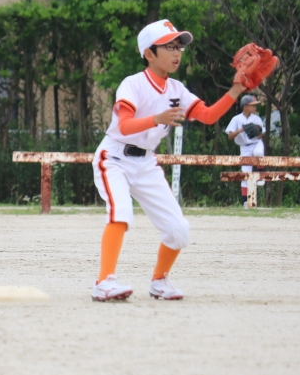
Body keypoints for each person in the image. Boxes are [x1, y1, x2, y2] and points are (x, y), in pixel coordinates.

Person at [90, 19, 246, 302]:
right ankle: (104, 282)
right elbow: (123, 125)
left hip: (146, 163)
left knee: (178, 230)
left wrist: (235, 90)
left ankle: (159, 281)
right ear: (149, 54)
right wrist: (157, 119)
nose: (177, 53)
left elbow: (207, 116)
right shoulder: (133, 84)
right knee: (121, 213)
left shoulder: (176, 89)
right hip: (114, 157)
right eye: (169, 47)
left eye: (179, 47)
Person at [225, 95, 265, 207]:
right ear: (245, 106)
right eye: (253, 105)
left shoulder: (256, 119)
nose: (255, 108)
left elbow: (260, 137)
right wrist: (241, 130)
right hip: (244, 147)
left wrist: (258, 130)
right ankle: (245, 202)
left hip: (256, 143)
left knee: (258, 153)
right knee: (245, 174)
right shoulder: (236, 119)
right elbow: (230, 136)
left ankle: (260, 175)